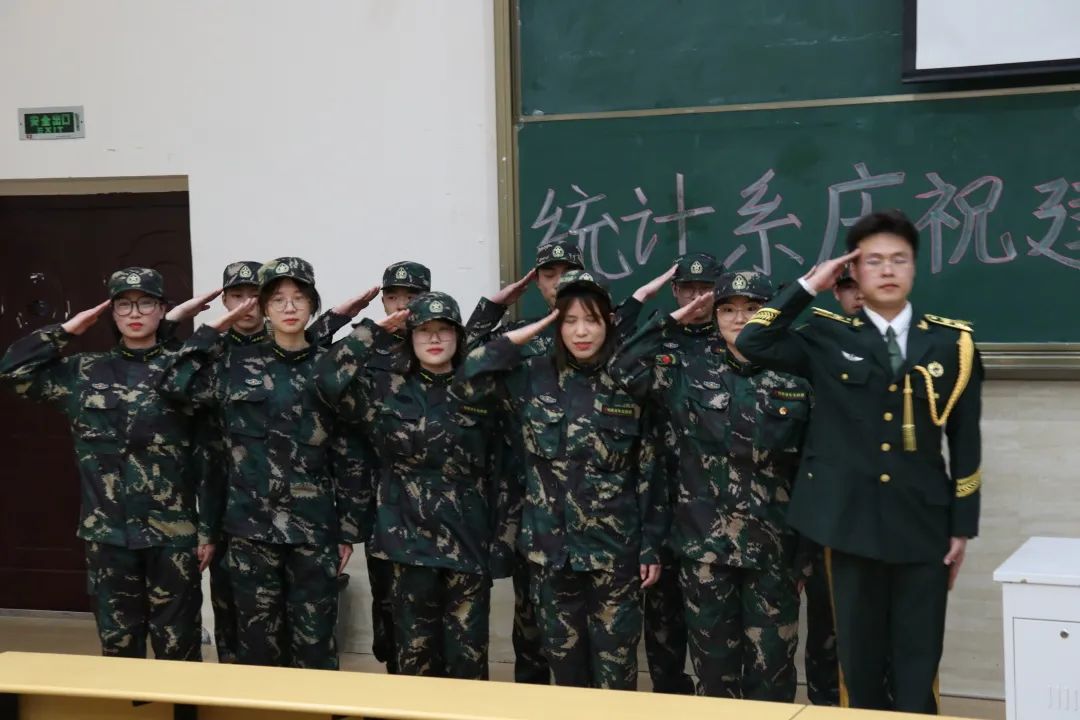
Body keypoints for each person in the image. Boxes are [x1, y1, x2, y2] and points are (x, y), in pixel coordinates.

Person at [735, 209, 983, 713]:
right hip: (849, 524)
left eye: (899, 259)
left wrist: (962, 528)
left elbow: (966, 441)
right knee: (859, 662)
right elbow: (752, 341)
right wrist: (810, 285)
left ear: (914, 268)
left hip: (923, 524)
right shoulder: (826, 338)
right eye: (874, 261)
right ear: (853, 271)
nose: (888, 270)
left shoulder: (952, 344)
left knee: (918, 662)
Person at [464, 239, 671, 684]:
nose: (581, 332)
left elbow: (649, 471)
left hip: (615, 555)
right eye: (569, 320)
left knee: (616, 676)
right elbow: (469, 375)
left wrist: (650, 544)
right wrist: (525, 334)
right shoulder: (530, 377)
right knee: (567, 676)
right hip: (550, 556)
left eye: (591, 321)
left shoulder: (628, 379)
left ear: (608, 323)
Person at [158, 261, 378, 663]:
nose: (289, 308)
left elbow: (351, 455)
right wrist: (212, 330)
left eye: (299, 299)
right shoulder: (233, 364)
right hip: (250, 531)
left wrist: (348, 529)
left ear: (313, 305)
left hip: (313, 531)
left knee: (315, 646)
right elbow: (174, 384)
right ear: (262, 307)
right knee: (257, 648)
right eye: (278, 300)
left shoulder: (330, 366)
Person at [611, 270, 812, 701]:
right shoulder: (686, 370)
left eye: (752, 309)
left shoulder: (796, 377)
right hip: (705, 551)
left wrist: (804, 555)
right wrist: (674, 319)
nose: (739, 318)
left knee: (773, 675)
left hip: (773, 553)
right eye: (728, 309)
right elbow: (622, 367)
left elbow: (809, 472)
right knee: (714, 676)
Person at [0, 268, 211, 660]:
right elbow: (13, 371)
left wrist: (208, 529)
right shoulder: (83, 372)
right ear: (111, 313)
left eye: (145, 303)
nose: (135, 313)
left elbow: (208, 453)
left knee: (179, 646)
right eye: (124, 305)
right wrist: (65, 331)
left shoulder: (182, 370)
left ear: (161, 309)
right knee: (118, 647)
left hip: (172, 534)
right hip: (108, 535)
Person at [316, 291, 509, 679]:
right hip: (405, 545)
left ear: (458, 337)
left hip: (467, 543)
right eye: (424, 331)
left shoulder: (484, 391)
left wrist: (503, 543)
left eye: (443, 330)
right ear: (410, 338)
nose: (434, 339)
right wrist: (371, 331)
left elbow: (504, 471)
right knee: (414, 660)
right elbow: (325, 380)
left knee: (468, 661)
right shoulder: (385, 390)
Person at [639, 251, 722, 695]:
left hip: (713, 505)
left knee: (714, 627)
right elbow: (620, 365)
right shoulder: (656, 339)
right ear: (674, 290)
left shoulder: (736, 338)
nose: (696, 297)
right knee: (662, 619)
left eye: (705, 288)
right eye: (688, 288)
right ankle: (669, 698)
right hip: (660, 500)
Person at [348, 260, 432, 674]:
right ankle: (393, 668)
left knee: (428, 600)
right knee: (387, 595)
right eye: (393, 297)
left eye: (410, 297)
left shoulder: (439, 345)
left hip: (430, 495)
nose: (400, 306)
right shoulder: (365, 348)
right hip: (380, 494)